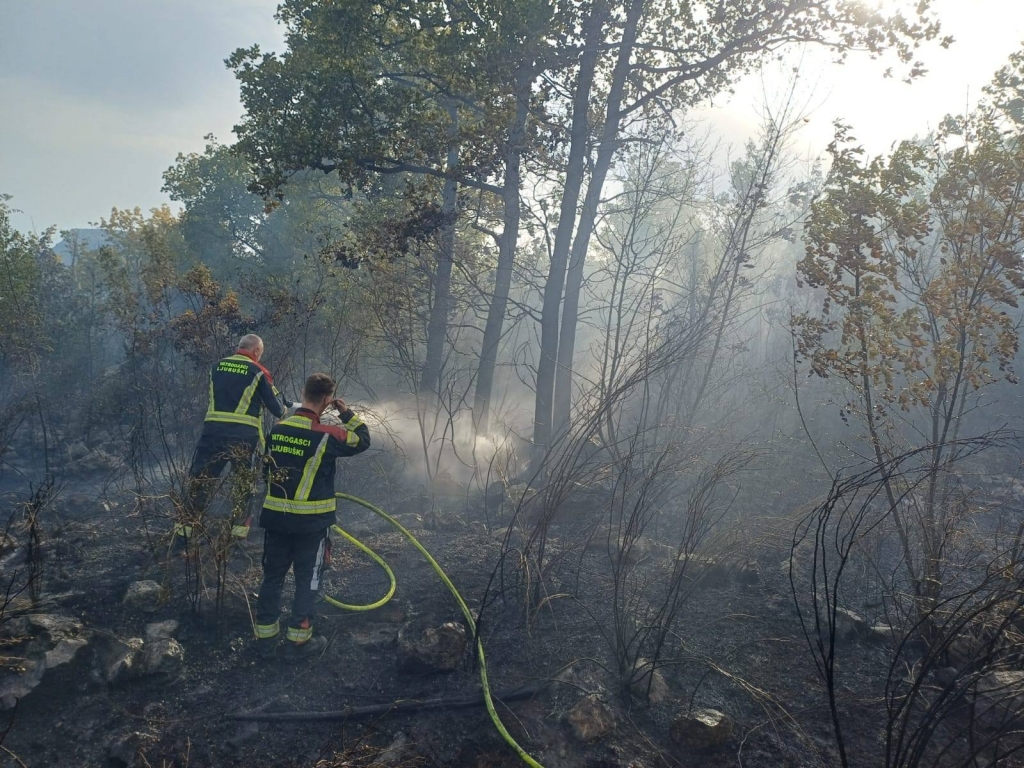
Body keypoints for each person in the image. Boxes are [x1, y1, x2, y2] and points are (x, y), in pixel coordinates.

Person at [254, 372, 370, 660]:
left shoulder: (278, 430)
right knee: (308, 580)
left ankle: (265, 641)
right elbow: (363, 440)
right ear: (327, 399)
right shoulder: (328, 435)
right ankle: (298, 643)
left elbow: (266, 471)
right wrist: (345, 413)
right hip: (312, 526)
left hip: (276, 521)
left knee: (272, 578)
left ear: (303, 393)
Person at [175, 334, 290, 546]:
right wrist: (284, 406)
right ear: (256, 351)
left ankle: (183, 537)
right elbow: (276, 409)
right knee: (243, 487)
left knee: (200, 483)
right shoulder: (258, 371)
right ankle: (236, 538)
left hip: (212, 435)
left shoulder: (216, 367)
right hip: (242, 439)